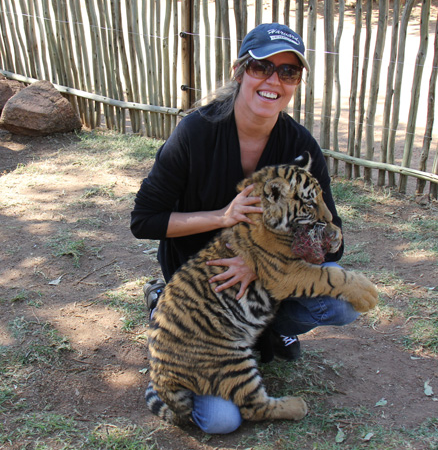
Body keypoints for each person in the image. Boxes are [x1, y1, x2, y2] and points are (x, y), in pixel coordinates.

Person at [130, 22, 360, 434]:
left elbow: (333, 241)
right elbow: (144, 221)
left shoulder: (301, 147)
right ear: (240, 71)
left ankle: (264, 336)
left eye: (288, 72)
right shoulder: (195, 132)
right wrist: (222, 216)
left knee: (342, 304)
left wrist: (260, 262)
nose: (274, 80)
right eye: (262, 67)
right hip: (205, 293)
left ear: (296, 82)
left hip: (265, 284)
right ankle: (168, 320)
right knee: (220, 421)